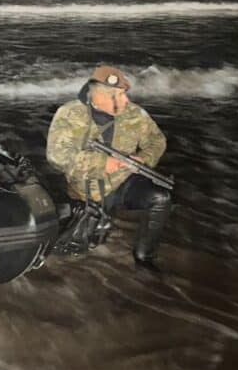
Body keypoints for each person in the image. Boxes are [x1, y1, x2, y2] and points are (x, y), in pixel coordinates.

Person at [46, 65, 171, 269]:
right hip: (84, 188)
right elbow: (56, 156)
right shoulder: (70, 114)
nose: (126, 100)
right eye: (119, 96)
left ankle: (144, 258)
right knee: (68, 252)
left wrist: (143, 159)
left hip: (121, 181)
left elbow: (157, 140)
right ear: (99, 97)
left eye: (124, 94)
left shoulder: (134, 114)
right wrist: (102, 162)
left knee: (161, 198)